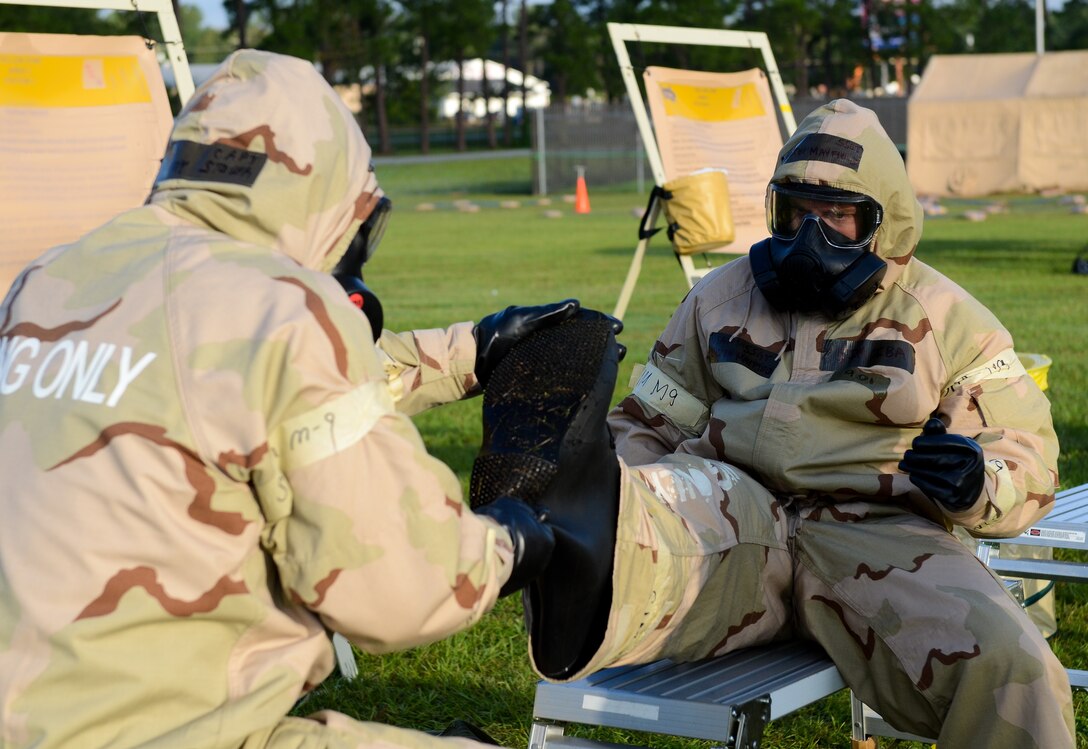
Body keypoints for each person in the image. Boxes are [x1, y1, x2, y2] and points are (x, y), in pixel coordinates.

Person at [0, 49, 611, 749]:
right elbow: (399, 587)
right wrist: (508, 541)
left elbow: (231, 400)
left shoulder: (50, 279)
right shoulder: (280, 305)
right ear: (321, 193)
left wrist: (471, 350)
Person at [473, 99, 1074, 747]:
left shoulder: (950, 320)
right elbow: (649, 423)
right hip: (738, 513)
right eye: (796, 211)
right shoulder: (718, 299)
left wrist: (977, 481)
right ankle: (579, 572)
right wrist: (613, 486)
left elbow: (1027, 460)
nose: (812, 235)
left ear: (885, 220)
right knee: (635, 525)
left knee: (1016, 671)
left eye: (839, 215)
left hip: (879, 533)